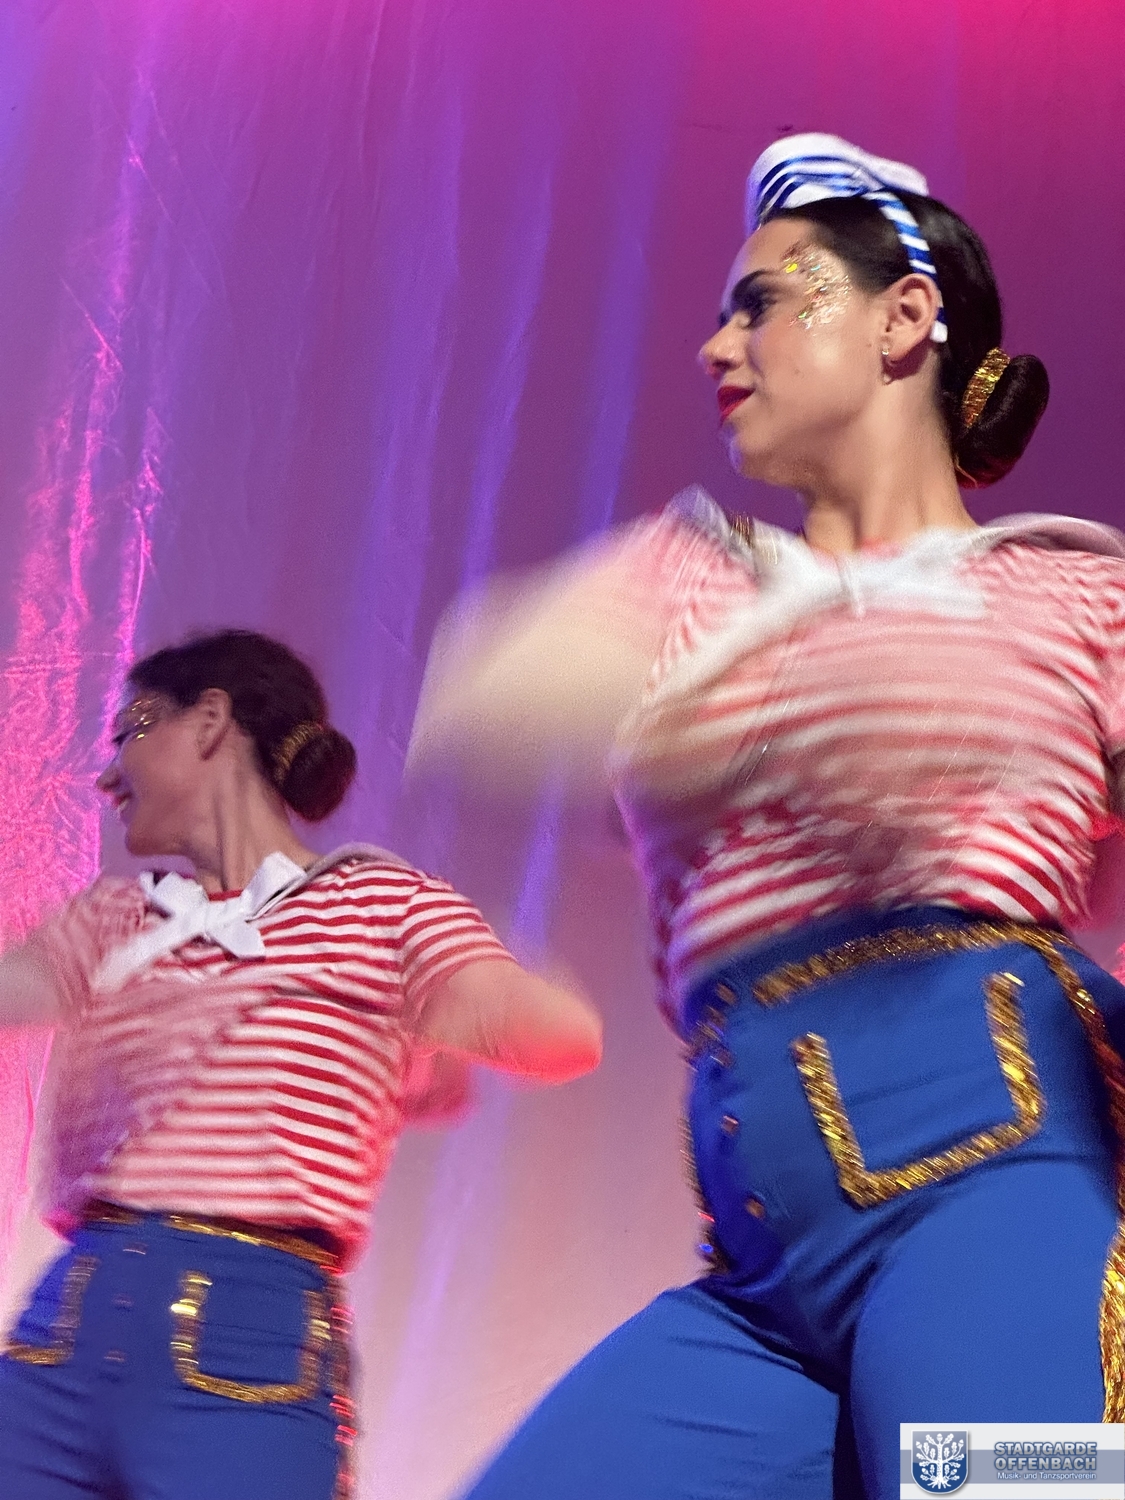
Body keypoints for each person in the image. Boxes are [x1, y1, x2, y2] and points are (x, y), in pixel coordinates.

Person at [409, 134, 1125, 1499]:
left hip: (997, 1192)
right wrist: (784, 721)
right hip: (762, 1273)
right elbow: (476, 701)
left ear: (903, 319)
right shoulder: (695, 573)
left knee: (1011, 1489)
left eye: (762, 302)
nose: (714, 345)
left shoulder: (1069, 591)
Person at [0, 628, 602, 1500]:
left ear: (210, 720)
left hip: (245, 1342)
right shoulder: (112, 918)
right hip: (63, 1335)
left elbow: (560, 1035)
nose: (108, 774)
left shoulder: (379, 904)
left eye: (131, 729)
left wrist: (446, 1024)